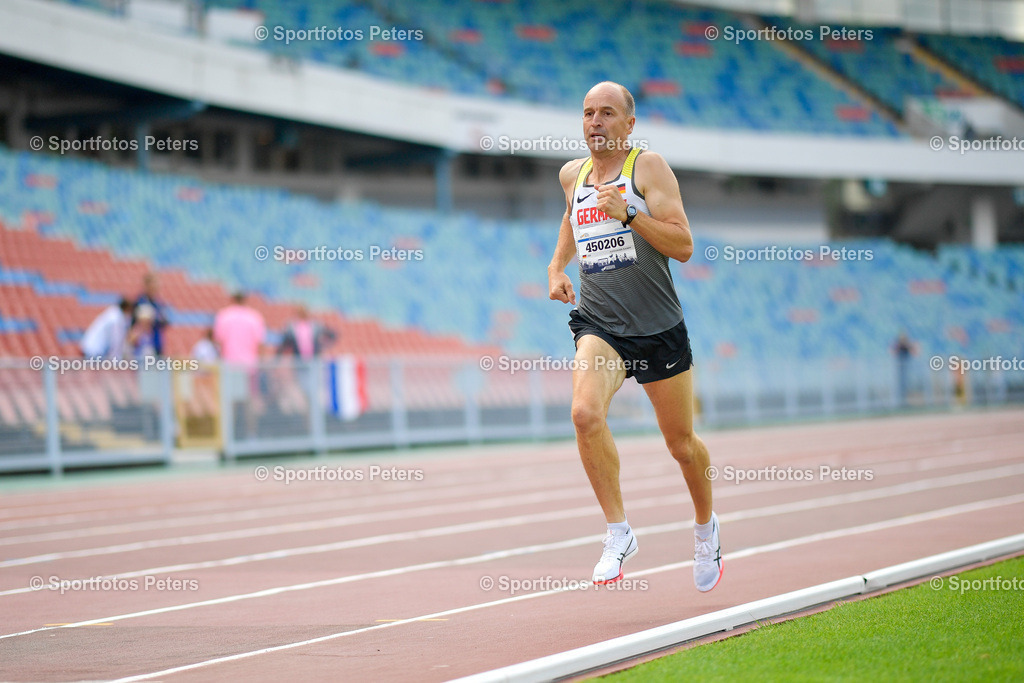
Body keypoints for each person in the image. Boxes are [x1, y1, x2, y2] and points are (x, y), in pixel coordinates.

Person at [547, 81, 722, 591]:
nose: (595, 122)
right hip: (600, 324)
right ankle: (618, 532)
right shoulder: (572, 175)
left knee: (681, 444)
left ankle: (706, 527)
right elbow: (571, 218)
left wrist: (628, 214)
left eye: (606, 113)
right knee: (584, 414)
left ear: (629, 123)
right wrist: (557, 266)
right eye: (587, 113)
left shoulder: (647, 168)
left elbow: (683, 245)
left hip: (658, 328)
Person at [133, 272, 169, 358]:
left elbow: (165, 321)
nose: (156, 287)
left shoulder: (158, 303)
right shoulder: (140, 302)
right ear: (147, 285)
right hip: (142, 345)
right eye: (154, 284)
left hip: (156, 344)